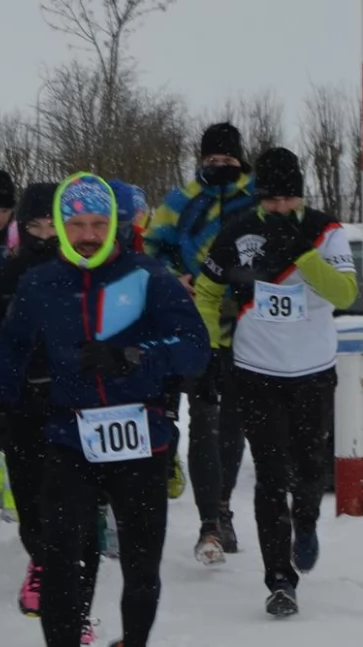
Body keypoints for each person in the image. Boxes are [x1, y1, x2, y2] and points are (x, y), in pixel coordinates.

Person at [0, 173, 210, 647]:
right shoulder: (41, 283)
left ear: (114, 225)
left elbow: (195, 347)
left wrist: (136, 356)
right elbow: (10, 346)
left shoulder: (149, 277)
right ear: (61, 228)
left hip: (142, 435)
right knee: (63, 558)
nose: (87, 235)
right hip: (71, 438)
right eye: (76, 225)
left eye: (97, 224)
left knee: (140, 562)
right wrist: (3, 407)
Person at [193, 147, 357, 617]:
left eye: (288, 199)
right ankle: (280, 580)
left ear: (301, 195)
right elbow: (207, 290)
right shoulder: (240, 229)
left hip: (312, 372)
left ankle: (306, 523)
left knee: (309, 472)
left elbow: (345, 293)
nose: (279, 208)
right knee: (270, 477)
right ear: (260, 197)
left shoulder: (326, 232)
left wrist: (302, 254)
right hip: (256, 371)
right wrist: (207, 349)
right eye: (271, 200)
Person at [0, 182, 104, 641]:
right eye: (35, 225)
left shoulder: (91, 274)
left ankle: (77, 611)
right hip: (26, 413)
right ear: (20, 228)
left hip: (80, 410)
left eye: (54, 224)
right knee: (33, 509)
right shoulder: (6, 280)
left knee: (82, 519)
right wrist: (0, 401)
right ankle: (43, 560)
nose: (45, 234)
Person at [143, 122, 255, 557]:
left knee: (235, 426)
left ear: (239, 160)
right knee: (204, 423)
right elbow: (152, 249)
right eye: (211, 160)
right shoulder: (181, 199)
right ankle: (209, 521)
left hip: (247, 327)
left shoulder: (255, 198)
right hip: (197, 327)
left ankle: (223, 507)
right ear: (201, 160)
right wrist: (178, 277)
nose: (219, 166)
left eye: (227, 160)